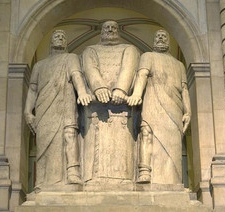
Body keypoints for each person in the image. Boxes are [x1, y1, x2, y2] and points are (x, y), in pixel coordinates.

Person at [24, 30, 92, 188]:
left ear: (66, 42)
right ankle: (41, 181)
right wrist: (27, 111)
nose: (60, 38)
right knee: (43, 142)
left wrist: (82, 92)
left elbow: (76, 75)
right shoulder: (39, 65)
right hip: (44, 107)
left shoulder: (70, 58)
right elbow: (33, 89)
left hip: (66, 102)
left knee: (69, 134)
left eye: (63, 37)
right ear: (51, 41)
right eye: (56, 36)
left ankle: (73, 173)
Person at [127, 29, 190, 184]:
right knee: (146, 132)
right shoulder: (147, 56)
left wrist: (188, 111)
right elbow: (142, 75)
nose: (161, 38)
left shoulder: (179, 65)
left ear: (168, 40)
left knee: (173, 143)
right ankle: (144, 172)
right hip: (152, 101)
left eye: (164, 36)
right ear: (154, 40)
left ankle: (173, 179)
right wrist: (136, 94)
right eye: (158, 36)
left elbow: (184, 89)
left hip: (174, 106)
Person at [81, 20, 140, 184]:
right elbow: (90, 69)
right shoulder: (90, 50)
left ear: (118, 31)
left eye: (114, 27)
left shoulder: (128, 49)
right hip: (96, 105)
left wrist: (121, 89)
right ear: (101, 31)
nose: (110, 29)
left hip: (122, 105)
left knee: (121, 147)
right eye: (107, 27)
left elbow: (128, 68)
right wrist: (99, 88)